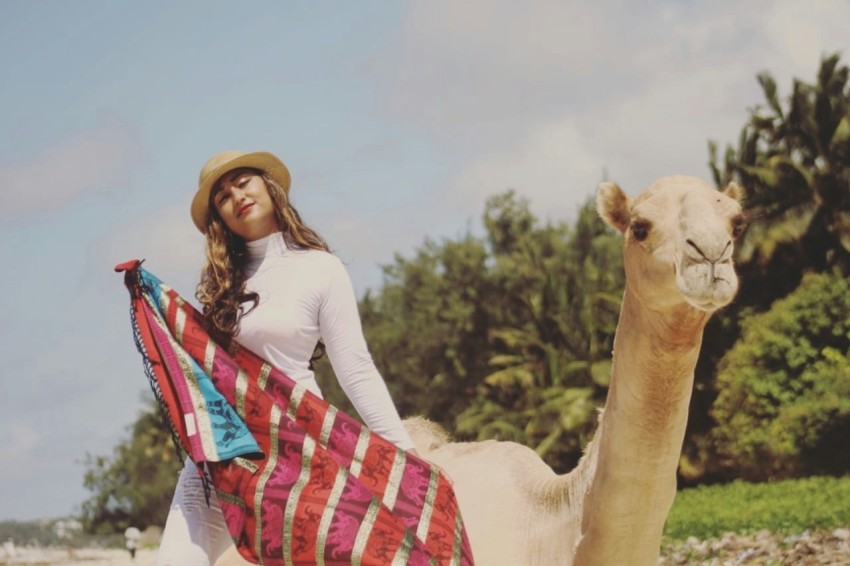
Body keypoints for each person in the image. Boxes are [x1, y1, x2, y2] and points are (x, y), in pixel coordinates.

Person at [156, 150, 416, 565]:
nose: (237, 196)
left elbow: (355, 368)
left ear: (268, 185)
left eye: (243, 182)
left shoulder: (321, 269)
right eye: (223, 196)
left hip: (299, 445)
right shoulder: (222, 287)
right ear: (219, 219)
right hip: (224, 449)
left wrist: (405, 454)